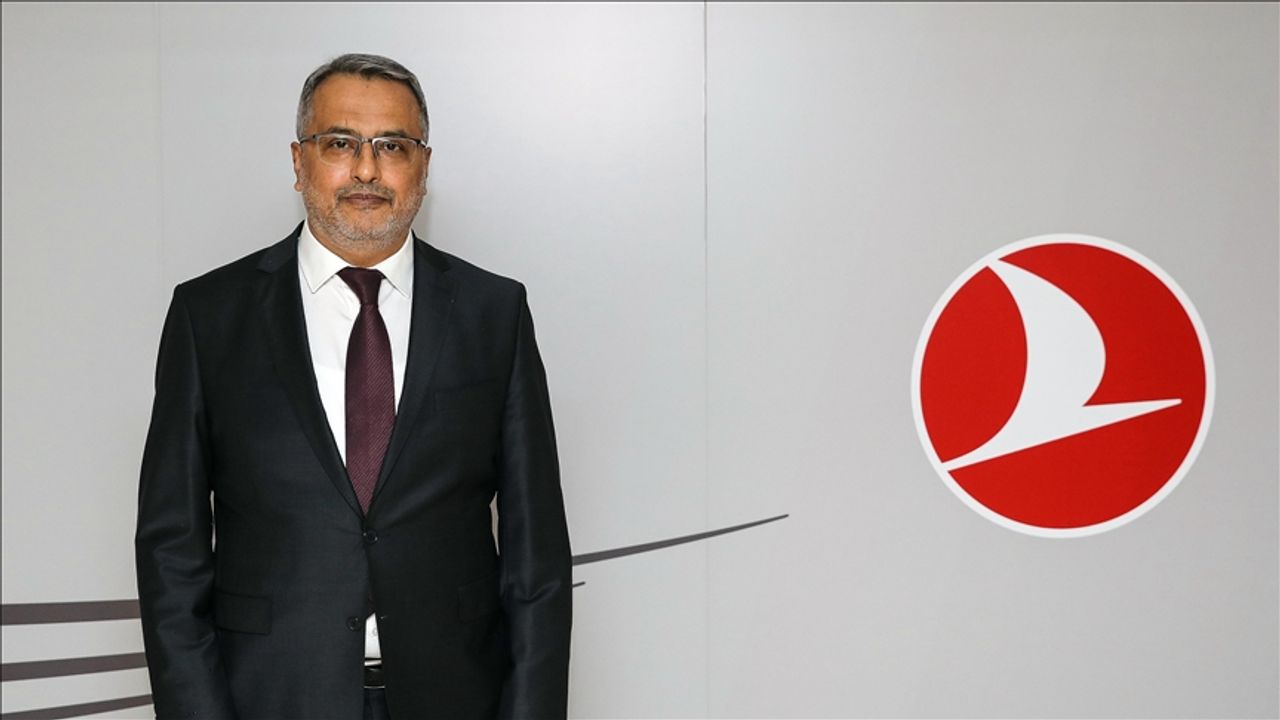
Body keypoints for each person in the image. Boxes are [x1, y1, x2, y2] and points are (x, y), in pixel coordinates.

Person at [135, 53, 572, 720]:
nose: (367, 169)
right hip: (270, 698)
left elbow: (536, 560)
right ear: (299, 161)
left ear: (423, 167)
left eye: (392, 146)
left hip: (456, 696)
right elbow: (172, 554)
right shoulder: (210, 317)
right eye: (340, 143)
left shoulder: (493, 314)